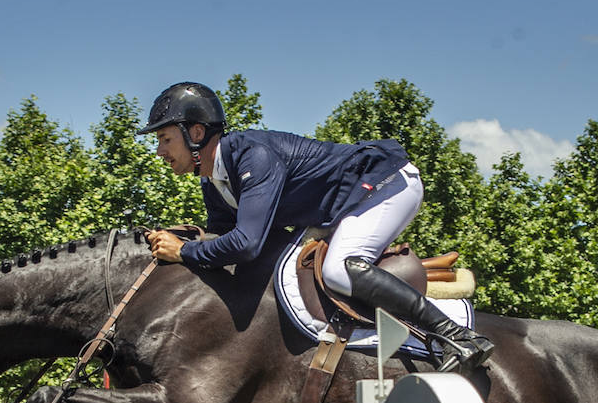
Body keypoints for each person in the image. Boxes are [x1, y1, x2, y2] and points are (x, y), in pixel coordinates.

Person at [140, 82, 493, 373]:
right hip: (349, 201)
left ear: (196, 133)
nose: (159, 151)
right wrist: (184, 243)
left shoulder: (252, 156)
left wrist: (184, 250)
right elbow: (222, 242)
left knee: (340, 270)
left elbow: (247, 243)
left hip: (386, 183)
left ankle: (458, 336)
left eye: (165, 139)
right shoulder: (214, 181)